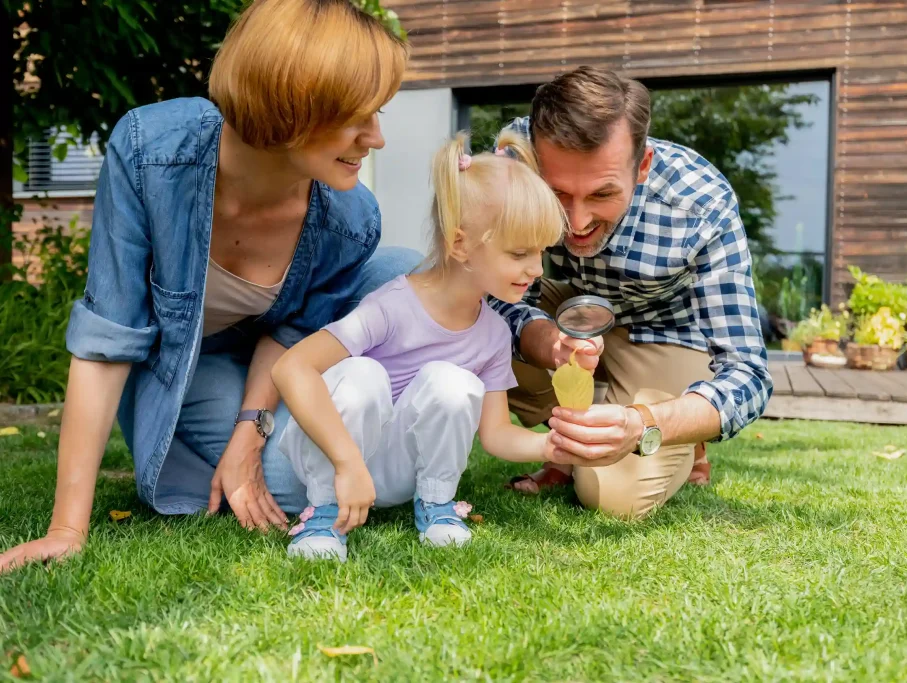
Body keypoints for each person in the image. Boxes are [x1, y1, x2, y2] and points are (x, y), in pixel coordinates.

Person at [0, 0, 419, 574]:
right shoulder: (152, 152)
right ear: (291, 104)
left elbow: (292, 330)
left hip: (277, 364)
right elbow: (108, 341)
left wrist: (251, 428)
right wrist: (67, 528)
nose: (376, 138)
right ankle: (363, 451)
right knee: (287, 487)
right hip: (186, 367)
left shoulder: (350, 217)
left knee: (403, 267)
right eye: (357, 116)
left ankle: (400, 434)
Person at [269, 131, 578, 561]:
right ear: (459, 244)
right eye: (520, 253)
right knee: (363, 373)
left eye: (541, 253)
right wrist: (346, 463)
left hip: (398, 474)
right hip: (337, 459)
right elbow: (291, 368)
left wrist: (550, 446)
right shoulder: (393, 305)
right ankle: (323, 513)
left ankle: (436, 506)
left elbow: (496, 434)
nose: (535, 269)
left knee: (451, 381)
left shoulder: (492, 334)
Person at [489, 66, 773, 519]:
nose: (576, 223)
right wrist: (548, 345)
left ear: (642, 166)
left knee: (614, 500)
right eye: (557, 193)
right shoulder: (511, 158)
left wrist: (644, 423)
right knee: (464, 320)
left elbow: (749, 373)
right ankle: (570, 444)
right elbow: (486, 293)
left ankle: (670, 428)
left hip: (665, 331)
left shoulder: (701, 203)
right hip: (561, 310)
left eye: (602, 194)